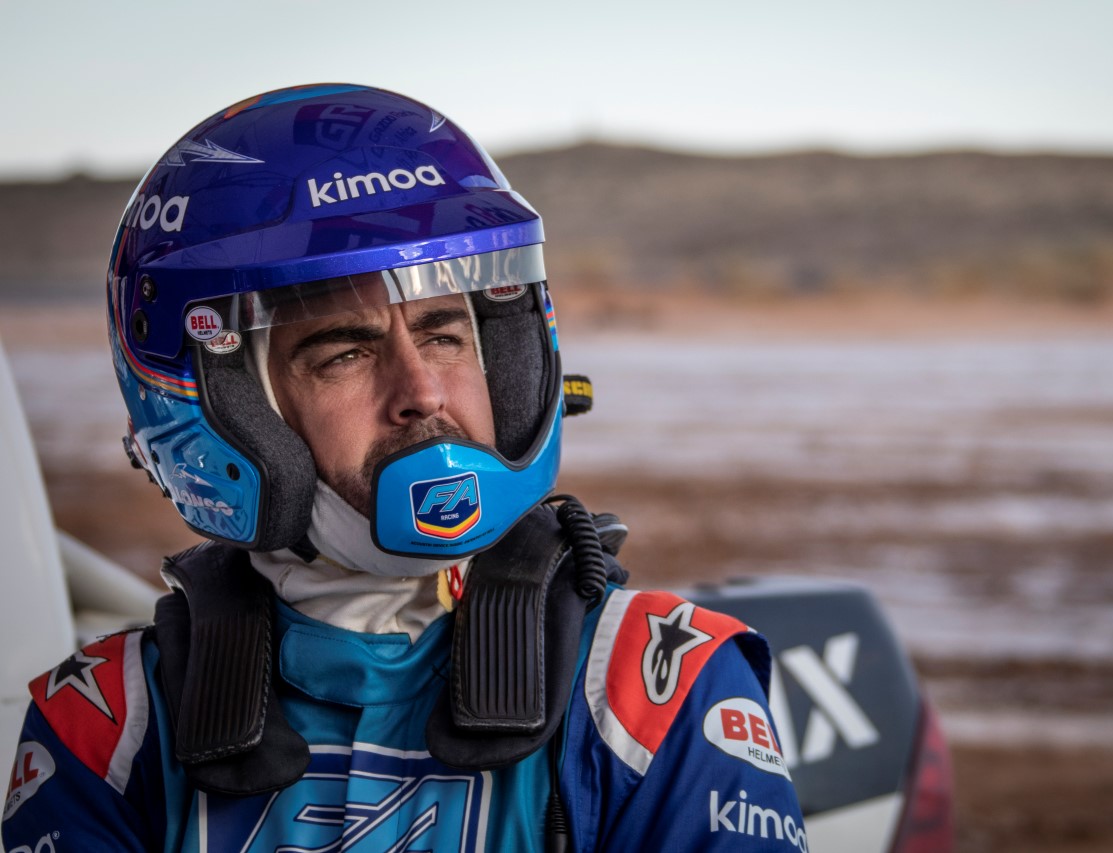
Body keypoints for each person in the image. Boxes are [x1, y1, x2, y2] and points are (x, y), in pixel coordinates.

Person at [2, 84, 807, 852]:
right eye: (344, 352)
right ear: (227, 412)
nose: (422, 391)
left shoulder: (655, 689)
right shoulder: (107, 725)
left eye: (445, 335)